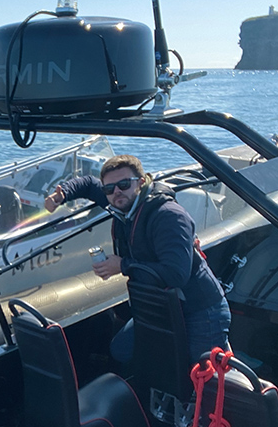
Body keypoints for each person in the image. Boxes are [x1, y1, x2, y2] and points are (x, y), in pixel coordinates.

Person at [45, 154, 230, 366]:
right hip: (162, 308)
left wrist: (122, 265)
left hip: (200, 310)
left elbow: (176, 275)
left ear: (141, 183)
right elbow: (87, 183)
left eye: (124, 184)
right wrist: (62, 195)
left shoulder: (168, 216)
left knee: (204, 379)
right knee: (122, 350)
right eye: (109, 188)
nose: (116, 192)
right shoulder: (122, 202)